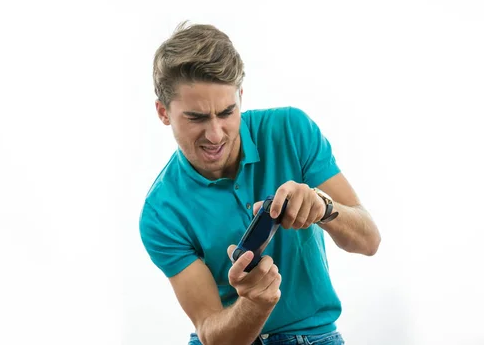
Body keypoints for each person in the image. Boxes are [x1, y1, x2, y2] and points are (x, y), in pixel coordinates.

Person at [138, 21, 381, 345]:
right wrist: (254, 303)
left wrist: (323, 206)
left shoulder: (291, 130)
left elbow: (368, 241)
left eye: (227, 112)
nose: (215, 135)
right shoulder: (160, 213)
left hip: (312, 337)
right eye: (196, 118)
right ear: (163, 112)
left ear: (241, 96)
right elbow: (211, 331)